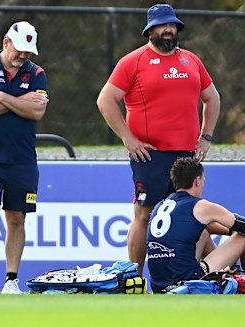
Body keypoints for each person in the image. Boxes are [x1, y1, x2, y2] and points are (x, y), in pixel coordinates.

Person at [96, 4, 220, 275]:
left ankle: (204, 276)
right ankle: (135, 279)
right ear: (150, 31)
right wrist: (128, 139)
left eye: (172, 25)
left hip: (187, 156)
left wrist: (206, 137)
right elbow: (105, 100)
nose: (169, 30)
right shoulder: (133, 61)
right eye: (163, 26)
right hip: (150, 155)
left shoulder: (191, 60)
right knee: (145, 213)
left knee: (191, 215)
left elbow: (212, 98)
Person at [0, 21, 49, 294]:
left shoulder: (37, 73)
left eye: (28, 52)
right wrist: (16, 99)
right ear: (6, 43)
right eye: (19, 50)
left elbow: (37, 112)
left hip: (23, 159)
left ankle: (11, 280)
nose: (23, 56)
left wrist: (1, 99)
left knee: (16, 217)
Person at [146, 157, 245, 293]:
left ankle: (233, 276)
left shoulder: (160, 205)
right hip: (187, 281)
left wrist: (230, 232)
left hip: (158, 285)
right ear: (198, 181)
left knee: (202, 231)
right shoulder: (201, 206)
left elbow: (199, 226)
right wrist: (237, 231)